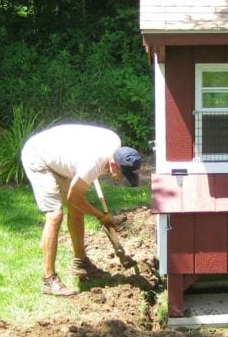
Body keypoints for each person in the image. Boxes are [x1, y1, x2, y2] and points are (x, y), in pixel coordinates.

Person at [20, 123, 142, 296]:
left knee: (76, 210)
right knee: (55, 215)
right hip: (39, 155)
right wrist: (100, 216)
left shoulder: (115, 143)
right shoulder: (92, 164)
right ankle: (49, 280)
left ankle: (81, 262)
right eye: (122, 175)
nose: (121, 179)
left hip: (61, 155)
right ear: (113, 164)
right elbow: (74, 197)